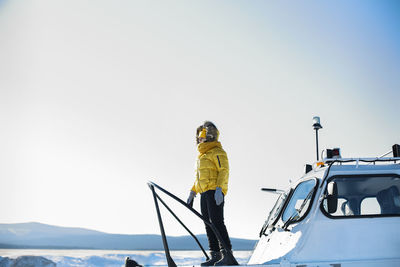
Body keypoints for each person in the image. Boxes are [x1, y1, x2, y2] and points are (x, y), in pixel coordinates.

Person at [187, 121, 238, 266]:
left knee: (217, 222)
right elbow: (200, 178)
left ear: (208, 136)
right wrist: (192, 192)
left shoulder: (218, 152)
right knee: (208, 224)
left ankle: (227, 254)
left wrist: (220, 190)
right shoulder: (201, 156)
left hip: (214, 192)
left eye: (201, 136)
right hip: (204, 193)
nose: (198, 139)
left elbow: (224, 171)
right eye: (198, 137)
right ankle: (215, 254)